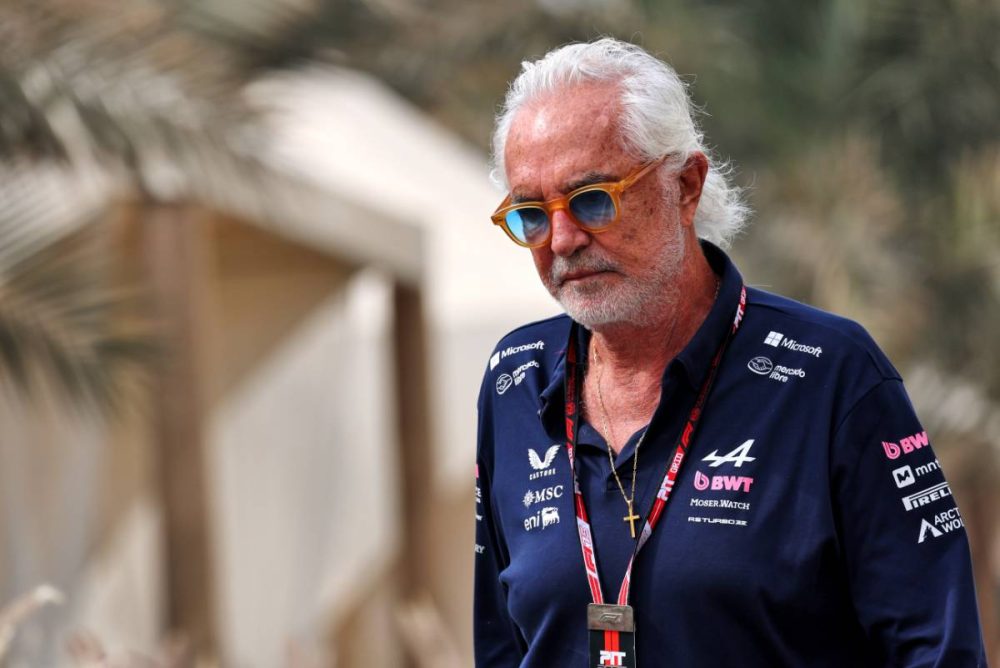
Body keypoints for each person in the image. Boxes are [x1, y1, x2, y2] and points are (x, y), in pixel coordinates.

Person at [473, 38, 987, 667]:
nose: (562, 240)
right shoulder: (514, 378)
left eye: (592, 201)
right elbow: (500, 645)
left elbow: (937, 650)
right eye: (531, 214)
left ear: (685, 185)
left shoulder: (833, 374)